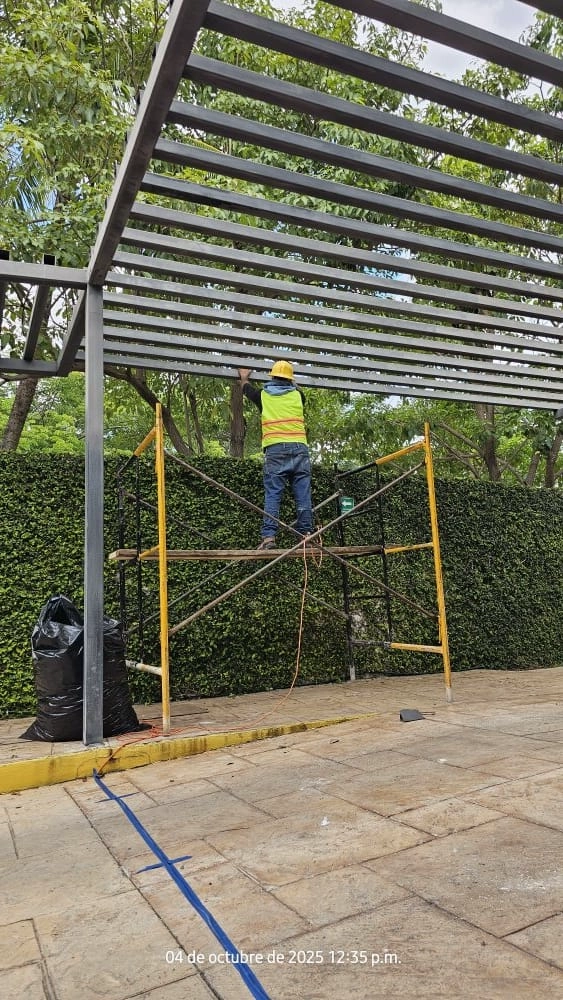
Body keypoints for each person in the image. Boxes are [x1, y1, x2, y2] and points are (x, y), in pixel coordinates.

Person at [238, 361, 313, 549]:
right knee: (302, 495)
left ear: (272, 377)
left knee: (273, 495)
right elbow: (297, 389)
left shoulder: (263, 396)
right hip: (299, 449)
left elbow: (246, 389)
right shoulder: (298, 396)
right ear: (290, 379)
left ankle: (269, 538)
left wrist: (244, 378)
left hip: (275, 450)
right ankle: (306, 536)